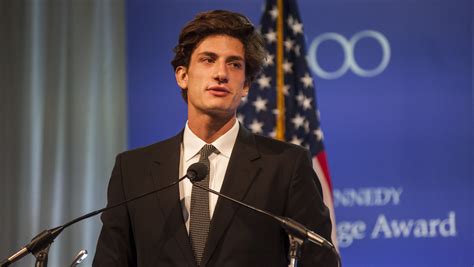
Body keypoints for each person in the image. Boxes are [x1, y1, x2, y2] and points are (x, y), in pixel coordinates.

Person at [93, 10, 336, 267]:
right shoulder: (133, 170)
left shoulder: (286, 165)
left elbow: (321, 260)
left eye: (234, 64)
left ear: (245, 85)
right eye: (208, 60)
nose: (221, 73)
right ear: (182, 76)